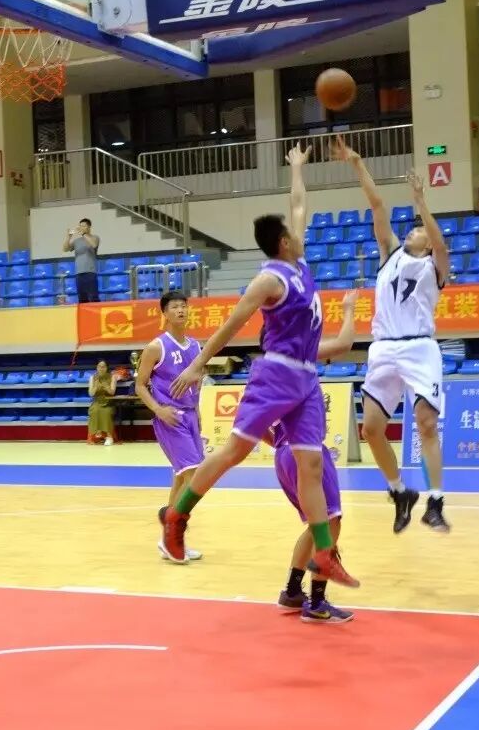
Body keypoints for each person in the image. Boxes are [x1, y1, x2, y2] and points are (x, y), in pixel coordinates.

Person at [159, 142, 359, 589]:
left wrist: (297, 169)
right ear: (284, 242)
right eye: (292, 232)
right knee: (236, 451)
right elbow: (232, 324)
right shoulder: (269, 279)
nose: (299, 230)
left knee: (311, 463)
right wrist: (198, 364)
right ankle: (177, 515)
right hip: (277, 373)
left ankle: (324, 554)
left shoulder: (300, 263)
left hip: (306, 377)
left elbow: (299, 204)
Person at [332, 135, 450, 534]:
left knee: (425, 423)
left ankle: (436, 501)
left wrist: (421, 202)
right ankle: (400, 491)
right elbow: (377, 205)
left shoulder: (435, 265)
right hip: (383, 348)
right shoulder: (390, 255)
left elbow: (439, 241)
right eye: (414, 228)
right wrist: (356, 163)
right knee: (370, 429)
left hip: (420, 347)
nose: (416, 231)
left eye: (420, 229)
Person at [272, 289, 359, 624]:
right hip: (305, 452)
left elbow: (254, 424)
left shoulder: (268, 367)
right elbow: (344, 343)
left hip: (285, 453)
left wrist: (281, 446)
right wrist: (348, 309)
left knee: (316, 523)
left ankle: (293, 591)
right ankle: (318, 602)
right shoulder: (299, 356)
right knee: (331, 521)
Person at [135, 290, 203, 561]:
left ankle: (169, 538)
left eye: (183, 306)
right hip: (170, 417)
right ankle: (174, 536)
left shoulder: (196, 346)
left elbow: (197, 381)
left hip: (190, 416)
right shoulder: (156, 347)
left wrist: (198, 410)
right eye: (174, 307)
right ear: (164, 313)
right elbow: (140, 385)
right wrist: (158, 410)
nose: (180, 310)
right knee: (194, 476)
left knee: (181, 477)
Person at [63, 217, 100, 303]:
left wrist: (83, 234)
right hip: (79, 273)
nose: (81, 228)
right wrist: (68, 237)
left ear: (89, 227)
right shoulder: (77, 241)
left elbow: (94, 245)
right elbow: (65, 249)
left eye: (83, 226)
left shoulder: (95, 237)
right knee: (82, 298)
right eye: (80, 226)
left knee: (93, 297)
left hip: (90, 272)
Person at [88, 360, 117, 445]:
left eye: (103, 366)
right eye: (99, 366)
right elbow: (91, 393)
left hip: (108, 402)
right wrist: (95, 387)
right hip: (97, 402)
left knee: (106, 412)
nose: (101, 368)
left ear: (107, 368)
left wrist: (106, 386)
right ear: (97, 367)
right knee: (94, 411)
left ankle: (109, 436)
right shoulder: (92, 378)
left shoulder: (112, 377)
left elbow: (112, 392)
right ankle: (97, 435)